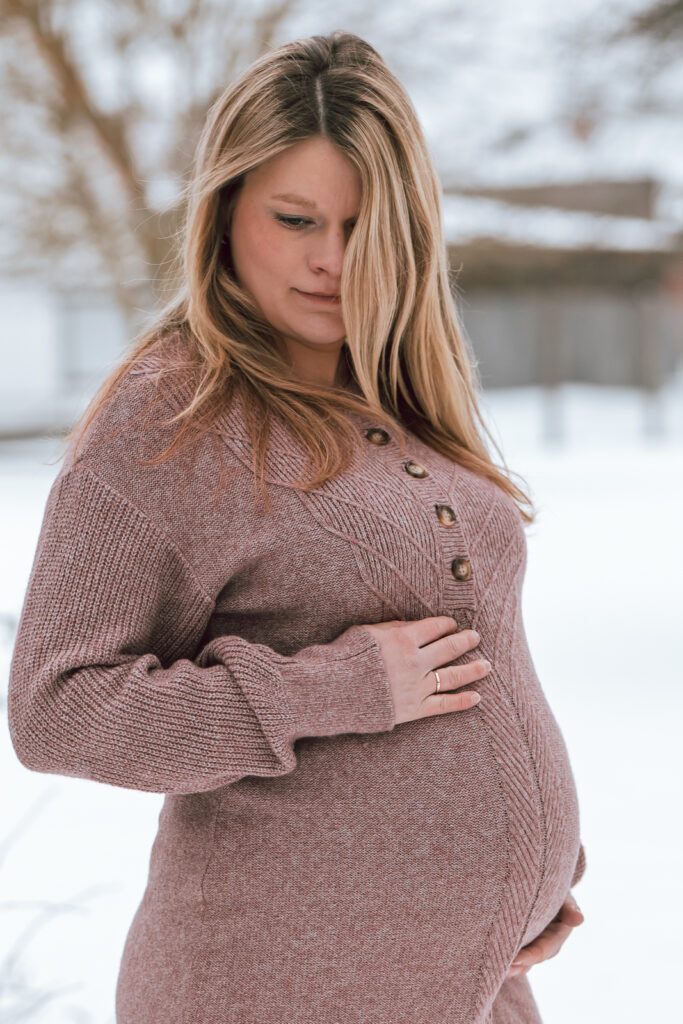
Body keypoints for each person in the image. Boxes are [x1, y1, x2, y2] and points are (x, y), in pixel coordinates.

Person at [7, 30, 587, 1024]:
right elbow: (56, 706)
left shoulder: (395, 400)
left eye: (362, 225)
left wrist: (517, 881)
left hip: (463, 987)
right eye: (294, 218)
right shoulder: (172, 416)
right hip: (267, 988)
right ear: (225, 211)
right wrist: (335, 686)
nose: (330, 260)